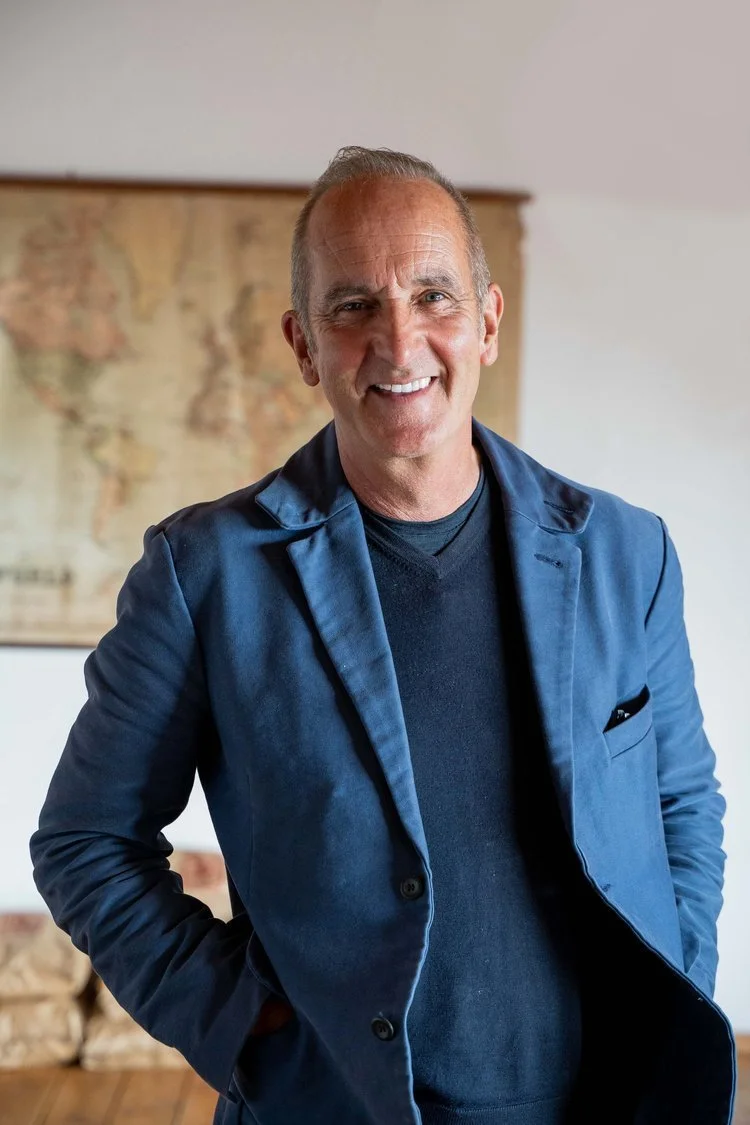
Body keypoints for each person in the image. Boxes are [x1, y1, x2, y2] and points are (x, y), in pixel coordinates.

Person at [30, 147, 736, 1125]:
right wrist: (243, 1023)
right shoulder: (205, 574)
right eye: (354, 306)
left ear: (487, 323)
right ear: (303, 345)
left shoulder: (625, 551)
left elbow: (681, 803)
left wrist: (678, 980)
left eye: (434, 296)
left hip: (611, 1105)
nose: (400, 344)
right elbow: (86, 841)